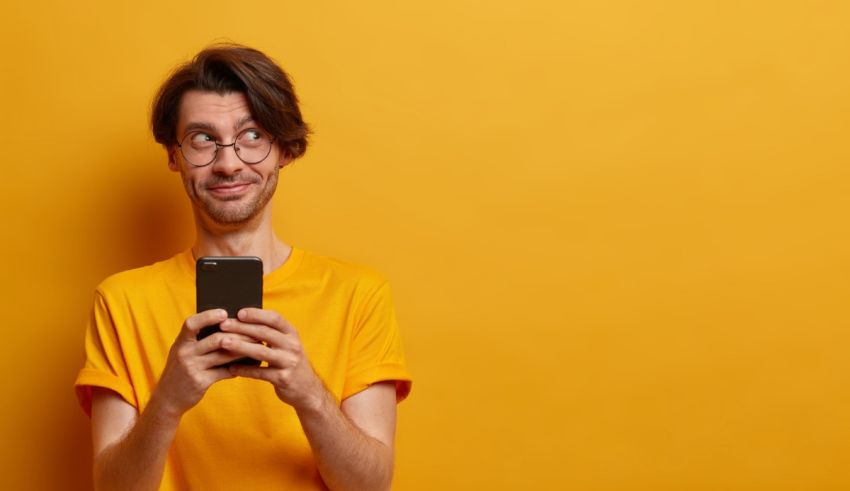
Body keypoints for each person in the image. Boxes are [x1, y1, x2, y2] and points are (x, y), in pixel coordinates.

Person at [74, 44, 412, 491]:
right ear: (174, 156)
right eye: (202, 139)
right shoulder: (122, 301)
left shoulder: (358, 294)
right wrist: (168, 402)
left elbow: (372, 487)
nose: (228, 162)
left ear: (285, 150)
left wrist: (309, 392)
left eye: (252, 136)